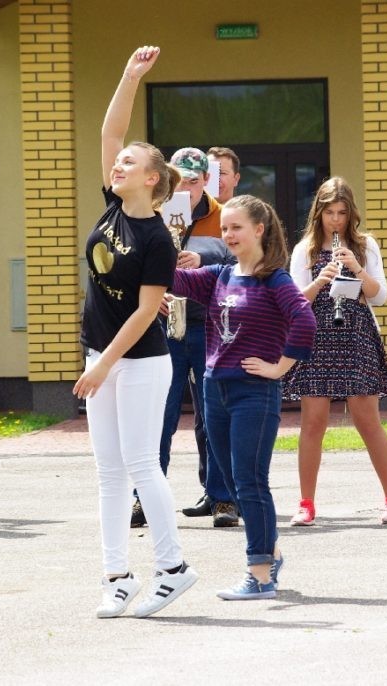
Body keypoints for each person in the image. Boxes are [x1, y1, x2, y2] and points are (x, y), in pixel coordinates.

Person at [73, 45, 198, 619]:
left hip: (141, 362)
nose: (117, 165)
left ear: (153, 179)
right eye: (117, 162)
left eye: (129, 163)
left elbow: (148, 312)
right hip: (102, 357)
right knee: (109, 472)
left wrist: (104, 364)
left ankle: (173, 569)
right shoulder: (111, 207)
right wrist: (129, 76)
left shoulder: (156, 240)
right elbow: (110, 131)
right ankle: (117, 576)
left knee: (142, 463)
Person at [172, 194, 315, 600]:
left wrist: (279, 368)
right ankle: (269, 553)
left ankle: (260, 576)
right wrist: (157, 237)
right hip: (214, 389)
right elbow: (173, 280)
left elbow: (304, 320)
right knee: (234, 482)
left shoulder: (275, 280)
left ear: (259, 229)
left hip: (254, 393)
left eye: (236, 227)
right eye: (224, 229)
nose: (229, 235)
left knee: (251, 482)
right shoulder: (220, 275)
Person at [281, 177, 387, 526]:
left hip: (356, 335)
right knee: (313, 422)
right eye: (329, 213)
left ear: (351, 214)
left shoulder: (365, 245)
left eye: (341, 213)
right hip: (317, 337)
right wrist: (320, 280)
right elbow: (294, 302)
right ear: (318, 213)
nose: (335, 220)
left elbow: (380, 296)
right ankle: (306, 503)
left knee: (368, 421)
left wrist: (356, 267)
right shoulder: (305, 249)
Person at [145, 146, 237, 530]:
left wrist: (204, 260)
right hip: (163, 326)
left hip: (208, 326)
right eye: (179, 181)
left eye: (193, 182)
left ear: (207, 181)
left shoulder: (224, 216)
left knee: (214, 414)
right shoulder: (153, 213)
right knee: (158, 415)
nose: (185, 189)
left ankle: (223, 498)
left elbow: (243, 263)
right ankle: (146, 499)